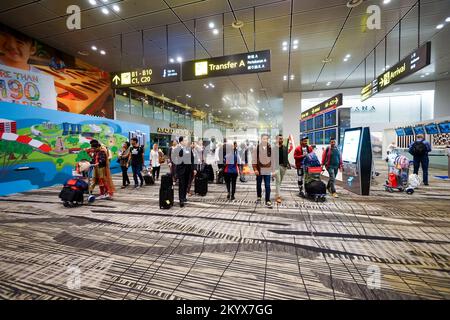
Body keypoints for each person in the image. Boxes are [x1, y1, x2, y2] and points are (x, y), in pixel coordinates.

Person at [174, 136, 197, 207]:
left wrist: (194, 169)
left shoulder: (189, 149)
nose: (187, 141)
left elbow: (192, 159)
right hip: (181, 170)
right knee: (181, 185)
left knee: (186, 184)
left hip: (188, 170)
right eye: (185, 140)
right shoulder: (177, 148)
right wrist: (182, 148)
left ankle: (184, 197)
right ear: (181, 142)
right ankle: (181, 200)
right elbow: (179, 155)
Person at [252, 134, 274, 208]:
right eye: (263, 139)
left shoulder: (271, 148)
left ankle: (267, 200)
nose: (265, 140)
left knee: (267, 185)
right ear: (261, 139)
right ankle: (259, 197)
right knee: (258, 184)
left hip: (267, 170)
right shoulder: (256, 148)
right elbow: (254, 160)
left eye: (266, 139)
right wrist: (255, 169)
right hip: (259, 170)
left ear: (268, 140)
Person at [273, 134, 290, 204]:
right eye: (280, 139)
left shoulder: (285, 147)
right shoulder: (274, 148)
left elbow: (286, 157)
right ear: (276, 140)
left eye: (282, 139)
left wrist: (288, 164)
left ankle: (277, 193)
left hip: (284, 167)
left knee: (280, 182)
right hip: (276, 166)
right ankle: (278, 196)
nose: (281, 140)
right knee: (278, 180)